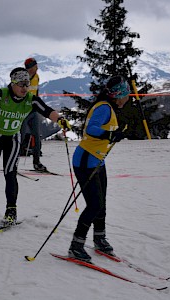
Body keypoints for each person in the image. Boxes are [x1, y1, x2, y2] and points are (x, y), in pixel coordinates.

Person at [0, 67, 70, 228]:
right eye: (21, 84)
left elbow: (47, 111)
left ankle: (11, 211)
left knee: (10, 174)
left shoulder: (30, 99)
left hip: (13, 138)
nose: (24, 88)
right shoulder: (2, 93)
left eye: (27, 84)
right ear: (12, 83)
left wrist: (60, 120)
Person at [68, 75, 130, 262]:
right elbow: (91, 130)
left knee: (100, 202)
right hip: (86, 161)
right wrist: (110, 134)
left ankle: (99, 239)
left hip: (97, 161)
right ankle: (76, 246)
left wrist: (112, 135)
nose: (128, 98)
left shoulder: (108, 106)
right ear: (119, 94)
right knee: (94, 205)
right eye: (126, 94)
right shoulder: (104, 107)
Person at [20, 57, 46, 171]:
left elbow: (36, 92)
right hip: (22, 111)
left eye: (36, 67)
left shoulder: (37, 77)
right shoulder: (22, 78)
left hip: (33, 111)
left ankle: (37, 163)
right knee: (19, 136)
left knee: (36, 136)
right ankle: (13, 162)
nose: (36, 69)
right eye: (33, 67)